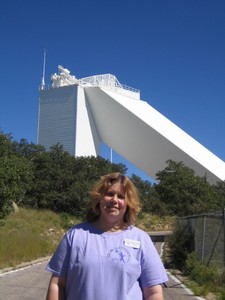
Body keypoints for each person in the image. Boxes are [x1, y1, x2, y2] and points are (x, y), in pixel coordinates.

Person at [46, 172, 168, 300]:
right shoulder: (75, 235)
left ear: (128, 203)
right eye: (109, 194)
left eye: (121, 196)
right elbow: (58, 284)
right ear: (99, 198)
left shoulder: (141, 240)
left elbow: (153, 292)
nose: (114, 200)